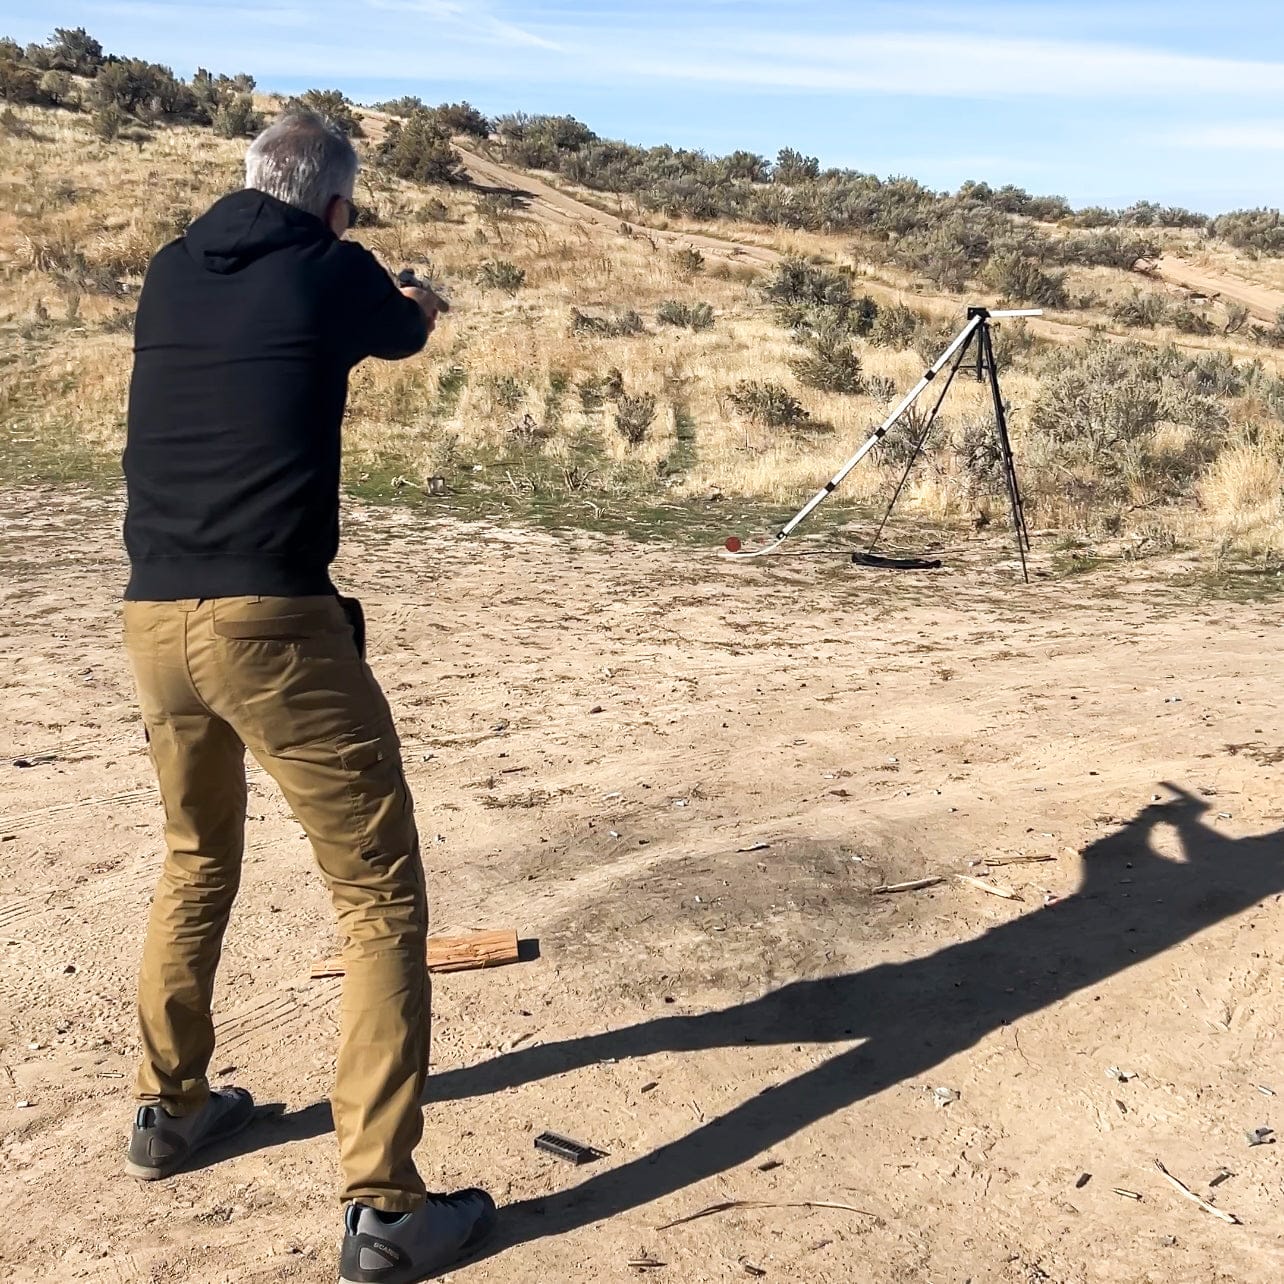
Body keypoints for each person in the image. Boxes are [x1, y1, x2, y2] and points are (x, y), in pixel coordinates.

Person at [119, 110, 496, 1284]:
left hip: (151, 616)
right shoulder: (333, 270)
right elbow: (401, 331)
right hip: (272, 618)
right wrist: (422, 293)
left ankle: (170, 1109)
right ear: (333, 205)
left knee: (195, 859)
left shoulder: (172, 273)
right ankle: (384, 1207)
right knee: (380, 897)